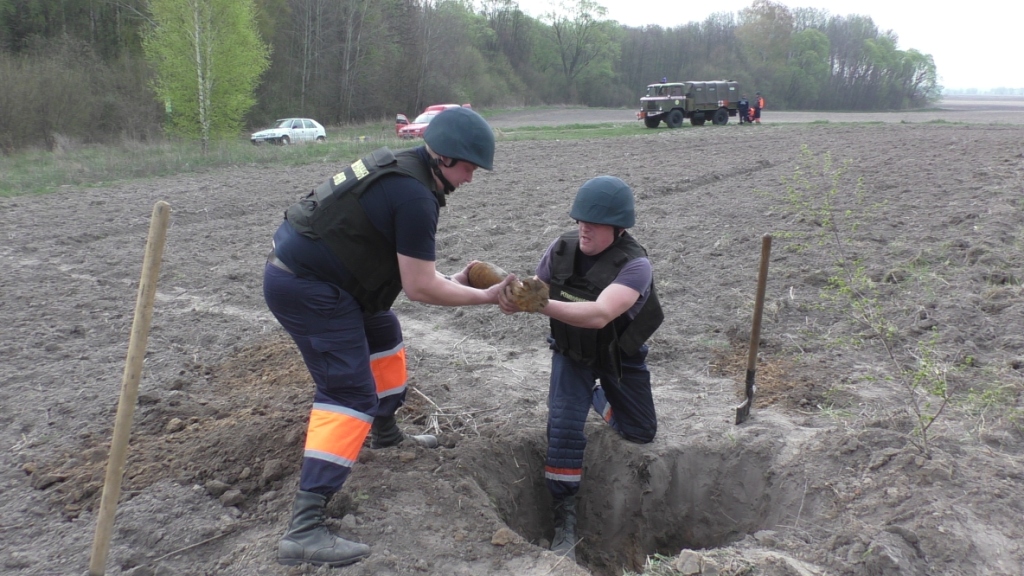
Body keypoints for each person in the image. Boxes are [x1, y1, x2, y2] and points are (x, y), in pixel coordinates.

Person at [263, 107, 513, 568]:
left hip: (329, 280)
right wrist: (487, 297)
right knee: (347, 393)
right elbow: (418, 288)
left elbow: (413, 269)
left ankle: (386, 433)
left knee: (383, 332)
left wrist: (456, 279)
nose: (472, 178)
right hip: (308, 287)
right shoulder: (415, 196)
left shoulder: (407, 170)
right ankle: (305, 527)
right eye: (469, 167)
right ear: (444, 157)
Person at [498, 176, 664, 564]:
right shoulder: (560, 251)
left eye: (595, 222)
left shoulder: (635, 265)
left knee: (641, 432)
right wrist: (509, 295)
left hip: (619, 357)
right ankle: (564, 517)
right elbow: (536, 288)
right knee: (564, 428)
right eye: (579, 220)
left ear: (618, 227)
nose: (583, 227)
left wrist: (540, 305)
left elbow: (600, 314)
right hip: (572, 354)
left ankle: (597, 395)